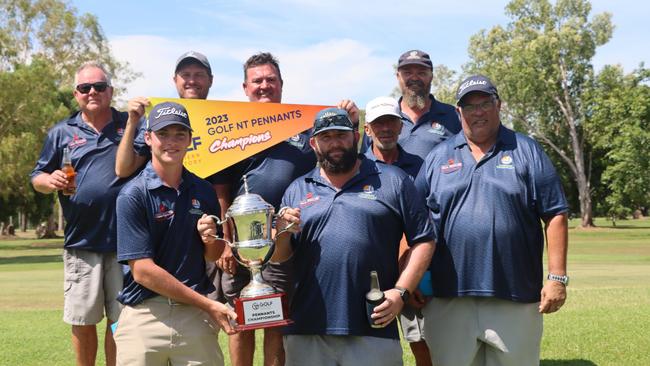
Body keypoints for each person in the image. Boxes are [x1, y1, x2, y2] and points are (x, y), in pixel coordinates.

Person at [209, 52, 360, 366]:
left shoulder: (303, 128)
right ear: (245, 87)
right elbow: (221, 189)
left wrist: (350, 122)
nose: (264, 86)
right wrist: (227, 241)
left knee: (279, 320)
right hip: (242, 244)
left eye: (271, 80)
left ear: (281, 85)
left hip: (285, 242)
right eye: (257, 81)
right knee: (240, 322)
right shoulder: (231, 130)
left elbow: (333, 158)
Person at [415, 75, 569, 366]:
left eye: (485, 103)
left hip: (515, 295)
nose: (478, 111)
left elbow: (555, 214)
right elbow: (414, 222)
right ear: (458, 112)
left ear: (498, 105)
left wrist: (557, 277)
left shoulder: (527, 150)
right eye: (469, 106)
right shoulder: (437, 157)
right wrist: (410, 280)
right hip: (448, 297)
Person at [279, 108, 436, 365]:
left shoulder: (392, 181)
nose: (335, 144)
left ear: (355, 136)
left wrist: (400, 293)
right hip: (308, 327)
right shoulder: (297, 189)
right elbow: (281, 256)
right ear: (313, 143)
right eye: (326, 137)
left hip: (373, 323)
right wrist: (282, 232)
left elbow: (424, 240)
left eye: (341, 135)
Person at [30, 61, 138, 366]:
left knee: (122, 320)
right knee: (83, 319)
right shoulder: (61, 132)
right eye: (84, 88)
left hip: (125, 243)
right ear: (76, 94)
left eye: (99, 87)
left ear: (111, 91)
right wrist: (48, 181)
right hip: (81, 243)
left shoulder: (128, 124)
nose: (92, 92)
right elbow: (36, 176)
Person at [113, 101, 237, 365]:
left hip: (194, 318)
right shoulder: (133, 194)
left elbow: (212, 254)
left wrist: (209, 239)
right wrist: (209, 305)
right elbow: (143, 271)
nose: (172, 141)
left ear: (190, 139)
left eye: (180, 134)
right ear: (148, 138)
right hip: (144, 316)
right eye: (163, 134)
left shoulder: (203, 191)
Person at [363, 96, 431, 366]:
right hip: (370, 269)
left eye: (391, 121)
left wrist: (412, 275)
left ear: (401, 126)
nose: (386, 128)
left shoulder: (420, 166)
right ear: (367, 129)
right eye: (379, 123)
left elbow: (425, 222)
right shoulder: (355, 166)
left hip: (413, 265)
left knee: (422, 341)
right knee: (369, 344)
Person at [114, 50, 214, 177]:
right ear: (175, 80)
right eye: (186, 75)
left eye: (199, 74)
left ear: (210, 80)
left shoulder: (229, 118)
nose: (192, 81)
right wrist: (131, 122)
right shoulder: (159, 115)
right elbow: (123, 170)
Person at [361, 49, 461, 160]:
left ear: (431, 76)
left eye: (421, 73)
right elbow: (364, 164)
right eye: (407, 73)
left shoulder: (453, 116)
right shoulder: (378, 117)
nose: (414, 78)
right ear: (398, 77)